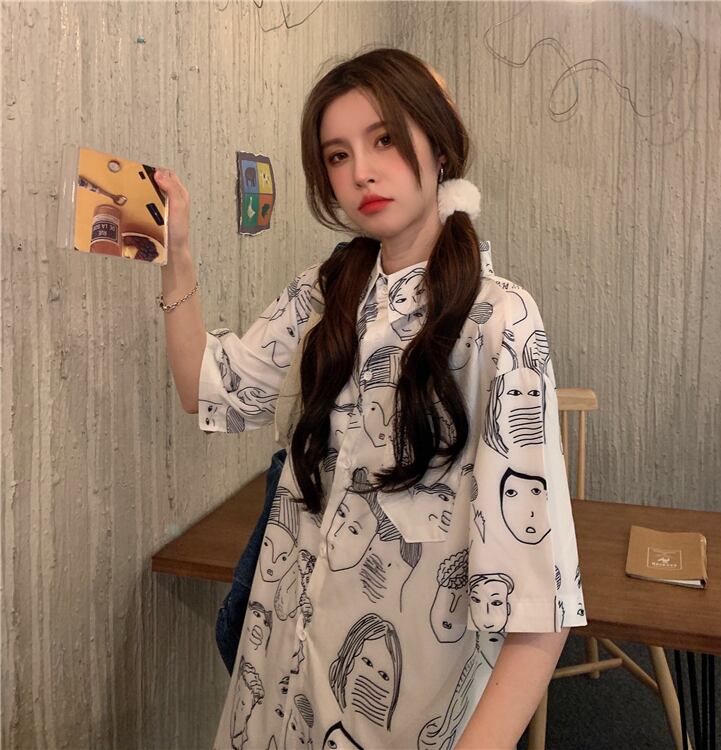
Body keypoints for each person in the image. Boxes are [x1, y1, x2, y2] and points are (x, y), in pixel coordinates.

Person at [154, 46, 587, 750]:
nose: (360, 171)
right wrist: (176, 256)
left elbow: (540, 603)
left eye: (384, 139)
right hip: (276, 687)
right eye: (338, 154)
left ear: (439, 147)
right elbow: (208, 387)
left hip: (401, 712)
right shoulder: (323, 293)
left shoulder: (498, 320)